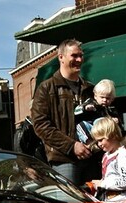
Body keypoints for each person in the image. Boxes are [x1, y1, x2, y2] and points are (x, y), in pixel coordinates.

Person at [31, 39, 95, 185]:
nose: (79, 60)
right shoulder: (46, 88)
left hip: (93, 158)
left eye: (81, 55)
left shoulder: (90, 89)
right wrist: (71, 146)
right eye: (74, 56)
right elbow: (41, 125)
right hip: (64, 159)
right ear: (61, 57)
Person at [89, 117, 126, 201]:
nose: (99, 144)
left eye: (101, 140)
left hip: (123, 202)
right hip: (110, 201)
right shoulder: (106, 155)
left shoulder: (123, 155)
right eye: (97, 141)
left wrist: (103, 183)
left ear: (112, 135)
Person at [75, 78, 121, 144]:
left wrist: (115, 119)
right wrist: (85, 108)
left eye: (108, 98)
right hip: (91, 128)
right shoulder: (91, 102)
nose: (104, 100)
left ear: (112, 99)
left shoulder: (111, 108)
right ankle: (89, 142)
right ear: (95, 96)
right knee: (81, 125)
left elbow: (115, 118)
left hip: (104, 130)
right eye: (102, 97)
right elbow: (76, 111)